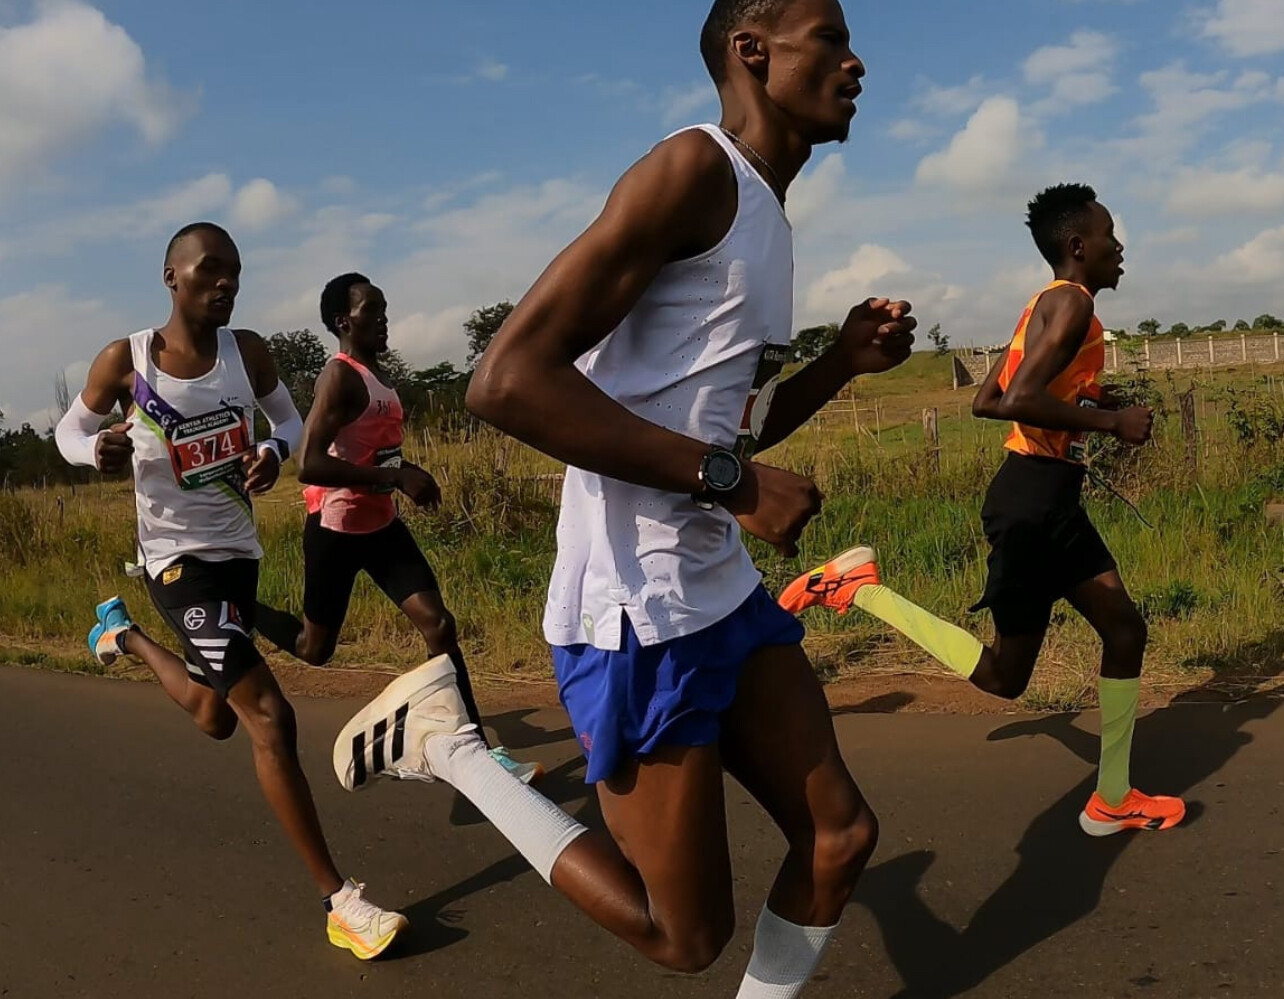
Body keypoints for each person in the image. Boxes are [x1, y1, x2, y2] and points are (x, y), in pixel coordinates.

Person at [330, 2, 919, 994]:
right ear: (751, 50)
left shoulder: (767, 214)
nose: (856, 62)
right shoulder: (693, 171)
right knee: (684, 936)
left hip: (718, 590)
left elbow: (725, 428)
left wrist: (838, 366)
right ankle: (452, 748)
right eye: (829, 36)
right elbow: (505, 382)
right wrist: (732, 483)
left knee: (839, 835)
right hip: (634, 610)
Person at [780, 183, 1185, 837]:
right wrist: (1111, 421)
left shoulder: (1043, 304)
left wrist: (1085, 400)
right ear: (1078, 246)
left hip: (1051, 502)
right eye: (1110, 235)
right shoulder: (1073, 305)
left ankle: (1112, 798)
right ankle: (859, 590)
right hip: (1031, 509)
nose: (1120, 247)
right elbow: (1017, 398)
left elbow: (988, 401)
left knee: (1126, 632)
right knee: (1004, 677)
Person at [54, 223, 409, 960]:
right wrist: (95, 449)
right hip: (176, 565)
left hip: (239, 556)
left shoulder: (247, 353)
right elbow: (68, 428)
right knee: (269, 716)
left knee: (215, 715)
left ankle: (122, 635)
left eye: (236, 273)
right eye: (210, 269)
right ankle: (340, 903)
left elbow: (289, 421)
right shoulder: (128, 360)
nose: (226, 283)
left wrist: (273, 451)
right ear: (171, 276)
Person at [254, 272, 541, 783]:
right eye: (372, 310)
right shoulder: (339, 376)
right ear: (343, 321)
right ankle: (243, 607)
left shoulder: (379, 376)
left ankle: (477, 751)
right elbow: (309, 463)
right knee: (314, 650)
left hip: (382, 527)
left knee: (439, 625)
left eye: (384, 309)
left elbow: (374, 451)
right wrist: (395, 477)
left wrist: (406, 474)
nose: (384, 319)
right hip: (336, 530)